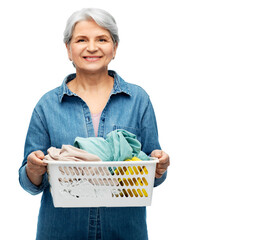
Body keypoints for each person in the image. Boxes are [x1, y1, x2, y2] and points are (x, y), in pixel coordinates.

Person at [19, 8, 170, 240]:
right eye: (81, 40)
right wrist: (33, 169)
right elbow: (29, 183)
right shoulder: (47, 105)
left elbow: (153, 173)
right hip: (61, 233)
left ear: (115, 48)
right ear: (69, 49)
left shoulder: (138, 100)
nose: (92, 47)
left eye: (102, 39)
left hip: (125, 232)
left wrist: (159, 165)